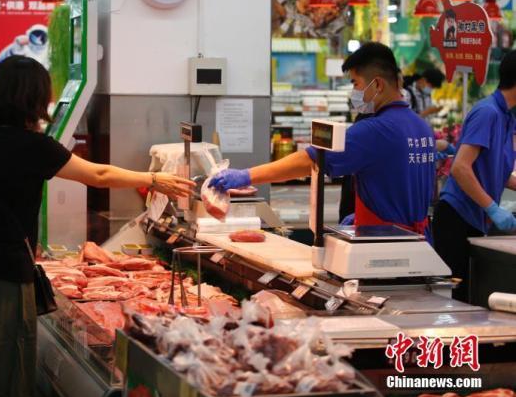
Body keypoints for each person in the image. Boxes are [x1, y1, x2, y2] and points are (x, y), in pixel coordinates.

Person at [0, 56, 194, 397]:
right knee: (3, 372)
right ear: (34, 99)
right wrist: (153, 178)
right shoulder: (33, 146)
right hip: (5, 274)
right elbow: (97, 175)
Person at [210, 42, 436, 234]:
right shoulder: (421, 126)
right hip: (420, 242)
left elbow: (310, 160)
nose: (354, 92)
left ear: (377, 84)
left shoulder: (374, 130)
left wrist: (246, 175)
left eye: (356, 84)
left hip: (384, 249)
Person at [433, 50, 516, 303]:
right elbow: (460, 168)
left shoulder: (507, 117)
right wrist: (491, 207)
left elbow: (494, 170)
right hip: (456, 217)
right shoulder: (488, 113)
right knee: (454, 299)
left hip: (475, 219)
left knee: (470, 296)